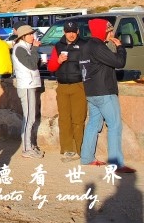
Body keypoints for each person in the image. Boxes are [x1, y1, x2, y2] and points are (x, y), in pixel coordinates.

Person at [80, 18, 135, 173]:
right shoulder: (98, 46)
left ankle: (86, 157)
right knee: (115, 125)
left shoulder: (86, 46)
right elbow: (119, 62)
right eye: (109, 30)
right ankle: (116, 163)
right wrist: (120, 47)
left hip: (91, 92)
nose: (112, 33)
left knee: (93, 124)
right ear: (103, 31)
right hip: (105, 92)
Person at [46, 21, 87, 162]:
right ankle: (68, 149)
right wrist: (58, 60)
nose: (71, 34)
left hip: (78, 85)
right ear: (64, 32)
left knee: (78, 118)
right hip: (62, 86)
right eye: (68, 31)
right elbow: (51, 68)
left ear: (78, 32)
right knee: (64, 119)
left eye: (73, 31)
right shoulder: (58, 46)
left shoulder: (84, 45)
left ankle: (81, 148)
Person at [11, 24, 43, 159]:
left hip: (29, 84)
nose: (32, 36)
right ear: (23, 36)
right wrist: (35, 49)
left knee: (30, 117)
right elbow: (31, 64)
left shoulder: (25, 48)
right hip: (26, 86)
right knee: (29, 117)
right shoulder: (20, 49)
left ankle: (29, 145)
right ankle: (26, 148)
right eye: (30, 34)